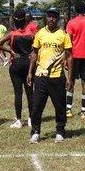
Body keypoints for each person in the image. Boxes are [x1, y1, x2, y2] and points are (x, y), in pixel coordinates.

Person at [27, 8, 72, 143]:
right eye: (49, 16)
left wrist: (69, 77)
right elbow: (34, 54)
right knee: (37, 106)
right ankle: (35, 132)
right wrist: (30, 72)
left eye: (54, 17)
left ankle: (60, 131)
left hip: (57, 76)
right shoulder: (40, 33)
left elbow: (69, 57)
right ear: (46, 18)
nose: (51, 19)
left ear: (58, 18)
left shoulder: (63, 35)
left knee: (60, 106)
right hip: (40, 76)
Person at [0, 9, 36, 128]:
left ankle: (18, 120)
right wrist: (31, 53)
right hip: (28, 64)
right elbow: (37, 47)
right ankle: (30, 119)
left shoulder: (12, 34)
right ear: (25, 19)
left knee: (18, 93)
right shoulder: (31, 33)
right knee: (30, 93)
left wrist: (11, 52)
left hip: (16, 64)